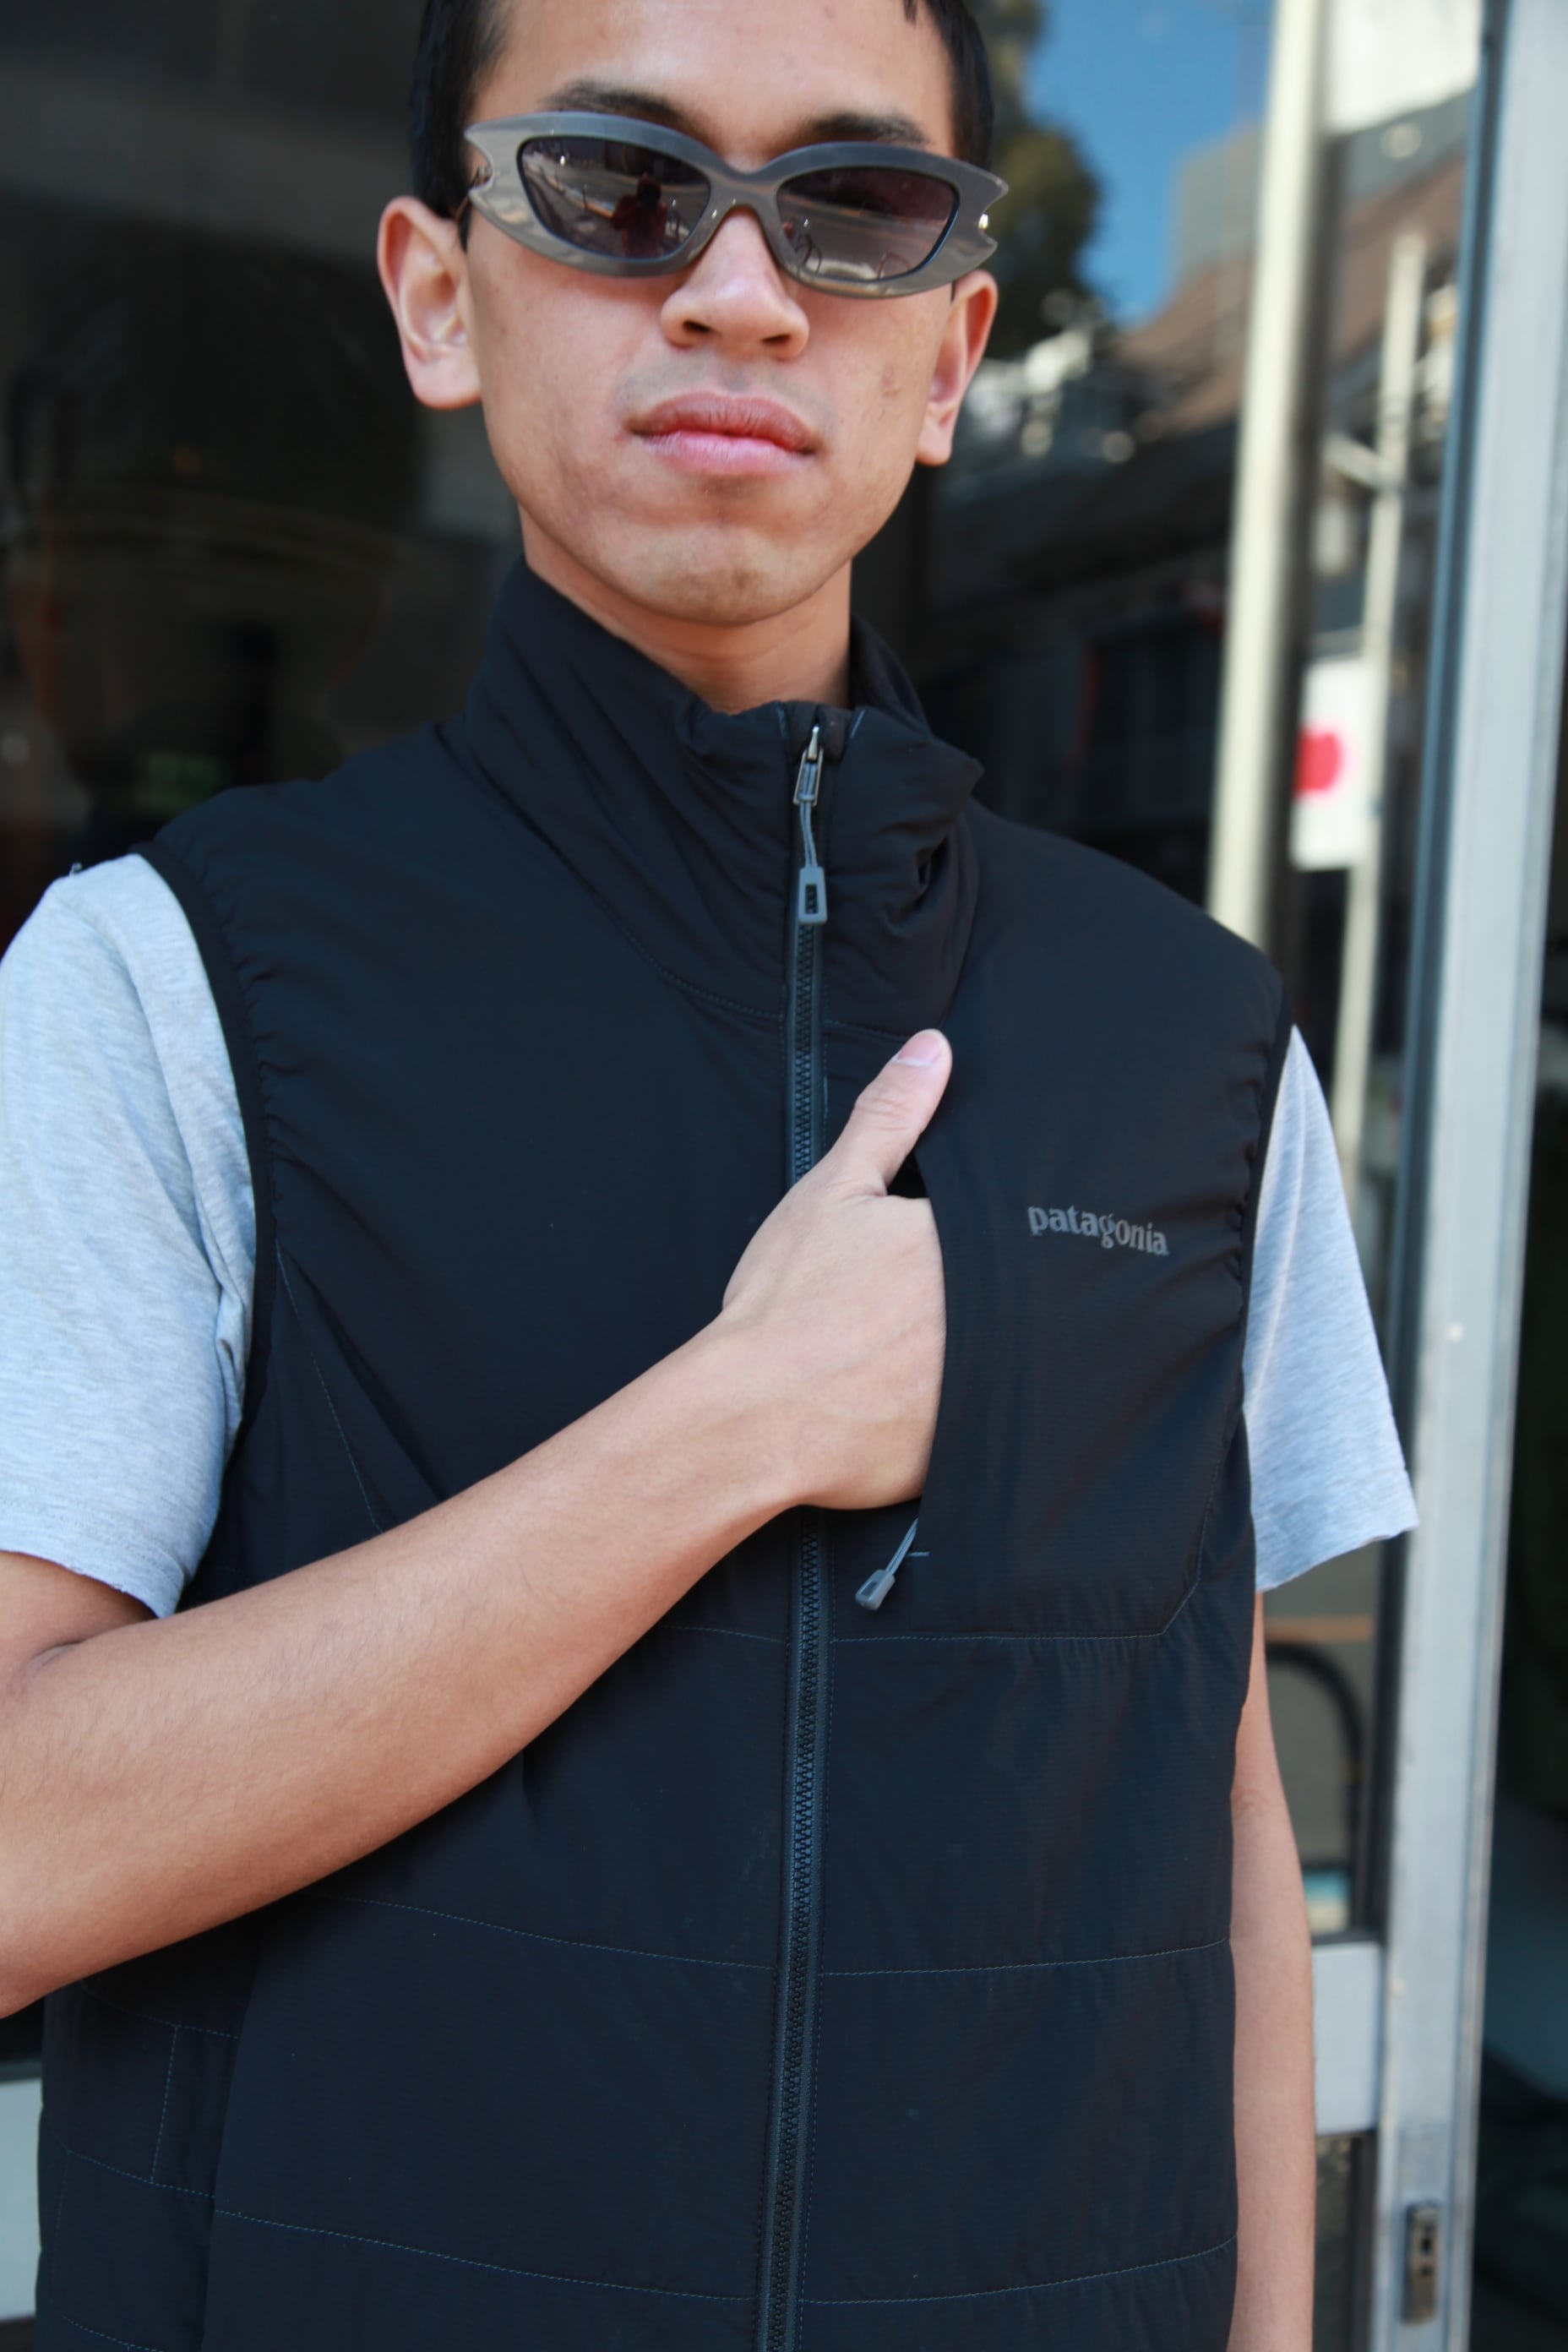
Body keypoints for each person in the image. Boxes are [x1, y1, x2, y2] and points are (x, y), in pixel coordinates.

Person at [0, 2, 1417, 2346]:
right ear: (440, 291)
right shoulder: (173, 982)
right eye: (620, 185)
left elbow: (1215, 1822)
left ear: (952, 353)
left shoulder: (1194, 1044)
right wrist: (734, 1425)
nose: (742, 292)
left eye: (854, 207)